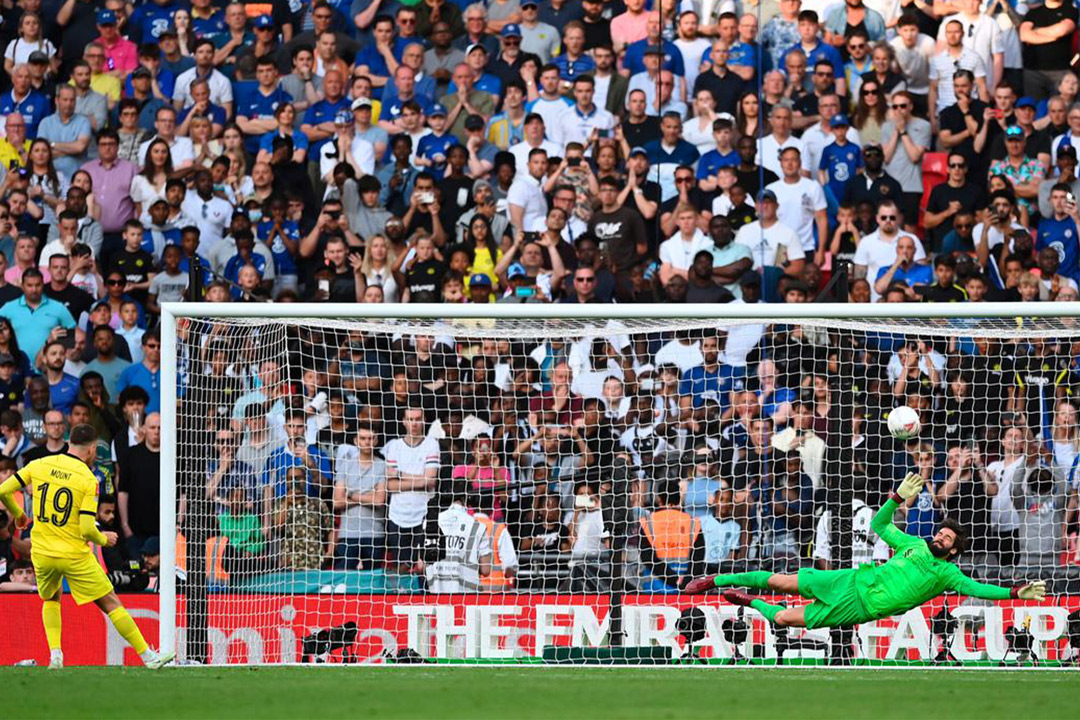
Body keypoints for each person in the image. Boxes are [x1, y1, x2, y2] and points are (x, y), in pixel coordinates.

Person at [684, 473, 1048, 628]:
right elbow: (879, 526)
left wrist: (1016, 592)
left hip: (859, 608)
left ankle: (748, 601)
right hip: (850, 579)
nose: (939, 538)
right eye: (939, 534)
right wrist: (896, 497)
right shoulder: (913, 544)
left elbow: (980, 589)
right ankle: (715, 579)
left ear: (952, 552)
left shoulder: (948, 575)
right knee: (780, 582)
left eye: (946, 540)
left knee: (781, 619)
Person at [0, 423, 174, 668]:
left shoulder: (39, 465)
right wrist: (105, 539)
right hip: (73, 555)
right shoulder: (88, 479)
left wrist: (18, 515)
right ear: (92, 449)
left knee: (51, 600)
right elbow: (85, 528)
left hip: (42, 552)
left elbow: (3, 491)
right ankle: (148, 656)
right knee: (111, 602)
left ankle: (56, 656)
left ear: (70, 443)